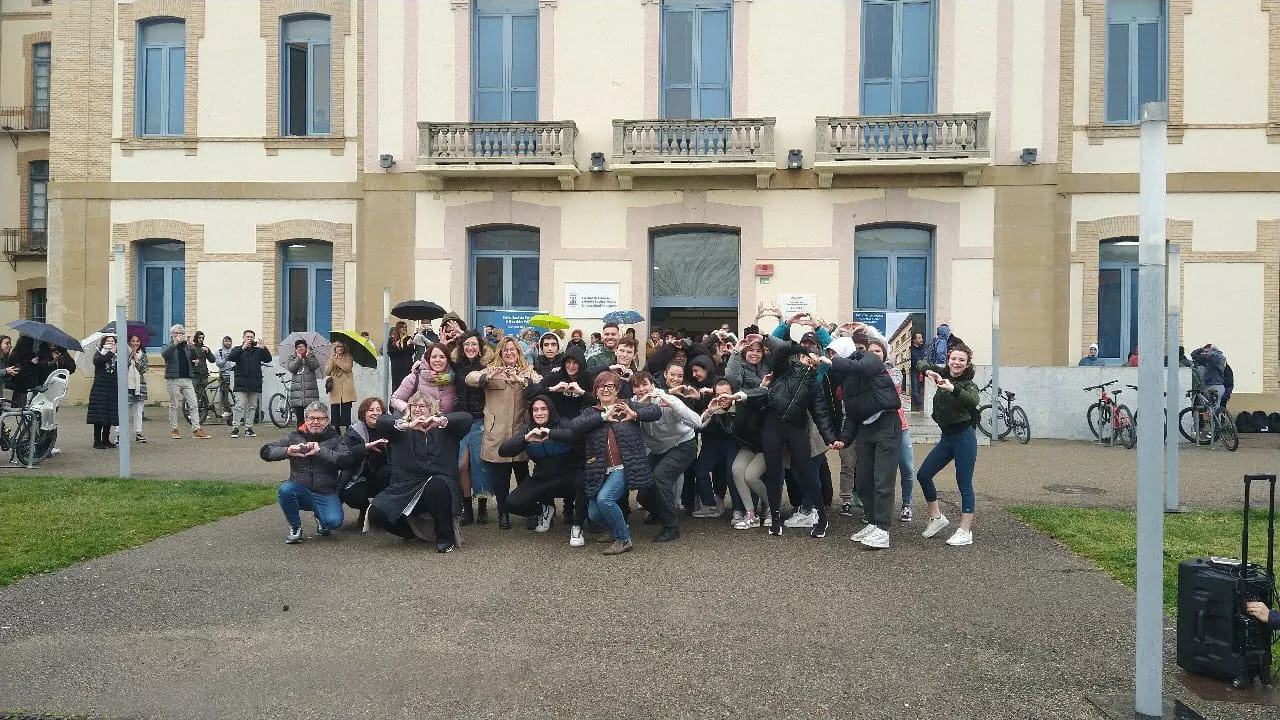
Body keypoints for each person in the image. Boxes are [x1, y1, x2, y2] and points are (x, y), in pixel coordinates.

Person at [565, 371, 662, 555]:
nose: (606, 390)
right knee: (593, 513)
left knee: (605, 499)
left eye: (611, 386)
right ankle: (615, 528)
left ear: (617, 390)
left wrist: (634, 414)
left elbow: (656, 411)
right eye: (601, 386)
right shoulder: (590, 411)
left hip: (624, 467)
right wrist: (602, 417)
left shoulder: (627, 405)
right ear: (595, 391)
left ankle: (624, 539)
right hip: (600, 469)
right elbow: (575, 427)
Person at [822, 331, 902, 549]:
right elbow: (852, 416)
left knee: (882, 481)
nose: (831, 357)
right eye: (829, 353)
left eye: (834, 353)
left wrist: (834, 361)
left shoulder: (869, 359)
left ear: (846, 352)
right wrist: (843, 441)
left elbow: (858, 367)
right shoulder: (846, 382)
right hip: (866, 428)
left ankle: (883, 530)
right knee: (864, 481)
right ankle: (873, 521)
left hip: (887, 424)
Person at [370, 393, 472, 552]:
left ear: (432, 409)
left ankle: (445, 538)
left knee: (436, 484)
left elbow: (466, 418)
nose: (417, 409)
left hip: (440, 485)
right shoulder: (400, 429)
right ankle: (410, 533)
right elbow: (381, 421)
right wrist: (406, 425)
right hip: (407, 486)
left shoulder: (446, 429)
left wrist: (440, 421)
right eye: (413, 406)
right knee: (376, 513)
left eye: (422, 406)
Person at [757, 327, 827, 538]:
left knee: (807, 472)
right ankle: (775, 518)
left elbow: (820, 413)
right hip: (772, 425)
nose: (810, 358)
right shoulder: (784, 370)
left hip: (796, 428)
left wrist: (833, 439)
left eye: (815, 355)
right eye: (807, 355)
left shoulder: (815, 383)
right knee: (774, 471)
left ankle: (822, 517)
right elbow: (780, 352)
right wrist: (801, 348)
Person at [465, 336, 540, 530]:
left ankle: (528, 511)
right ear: (500, 352)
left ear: (518, 353)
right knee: (501, 478)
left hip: (519, 432)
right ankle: (503, 513)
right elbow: (469, 378)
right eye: (505, 350)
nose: (509, 353)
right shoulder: (491, 370)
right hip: (496, 432)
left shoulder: (527, 371)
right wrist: (487, 377)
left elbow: (540, 384)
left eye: (512, 350)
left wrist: (522, 380)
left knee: (523, 475)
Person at [915, 343, 981, 546]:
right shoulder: (942, 372)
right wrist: (929, 372)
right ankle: (937, 518)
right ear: (949, 359)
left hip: (963, 438)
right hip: (946, 438)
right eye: (954, 358)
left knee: (964, 484)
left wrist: (953, 388)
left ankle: (965, 531)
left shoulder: (968, 383)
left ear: (967, 363)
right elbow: (921, 361)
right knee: (923, 475)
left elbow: (973, 400)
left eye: (962, 360)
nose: (957, 363)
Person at [260, 401, 351, 544]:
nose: (315, 422)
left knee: (333, 523)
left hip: (325, 491)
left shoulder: (337, 439)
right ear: (306, 420)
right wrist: (287, 451)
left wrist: (320, 450)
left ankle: (321, 518)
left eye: (320, 419)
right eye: (311, 418)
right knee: (285, 490)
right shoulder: (294, 437)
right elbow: (265, 451)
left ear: (327, 421)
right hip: (300, 487)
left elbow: (346, 461)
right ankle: (295, 528)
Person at [630, 370, 701, 543]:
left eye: (645, 384)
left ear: (652, 385)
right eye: (636, 386)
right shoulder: (633, 404)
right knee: (644, 493)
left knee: (661, 477)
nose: (641, 389)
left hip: (683, 445)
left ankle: (671, 527)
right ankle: (658, 511)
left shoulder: (668, 399)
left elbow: (697, 422)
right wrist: (641, 406)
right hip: (658, 450)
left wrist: (673, 405)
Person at [499, 396, 576, 533]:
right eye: (535, 410)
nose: (539, 413)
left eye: (543, 409)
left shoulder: (562, 422)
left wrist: (552, 434)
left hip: (568, 476)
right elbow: (503, 451)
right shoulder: (528, 429)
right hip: (542, 478)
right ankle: (544, 509)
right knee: (511, 503)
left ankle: (580, 519)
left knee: (584, 487)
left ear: (551, 410)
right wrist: (525, 439)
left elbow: (576, 435)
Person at [451, 330, 493, 525]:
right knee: (461, 465)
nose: (470, 347)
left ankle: (482, 506)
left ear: (480, 347)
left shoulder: (487, 365)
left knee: (479, 465)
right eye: (466, 344)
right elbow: (436, 361)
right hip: (460, 421)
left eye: (474, 344)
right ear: (461, 347)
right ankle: (467, 507)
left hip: (479, 420)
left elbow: (498, 353)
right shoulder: (456, 365)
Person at [339, 397, 393, 530]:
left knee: (389, 473)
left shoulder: (390, 430)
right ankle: (364, 509)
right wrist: (365, 447)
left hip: (382, 476)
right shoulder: (353, 431)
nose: (375, 413)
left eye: (378, 410)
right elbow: (346, 456)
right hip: (360, 476)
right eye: (371, 410)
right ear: (364, 413)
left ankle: (381, 510)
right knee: (352, 495)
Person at [160, 324, 210, 440]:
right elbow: (164, 355)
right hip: (173, 378)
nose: (178, 336)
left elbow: (194, 358)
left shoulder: (186, 347)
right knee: (174, 405)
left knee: (193, 404)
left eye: (180, 333)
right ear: (172, 335)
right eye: (176, 334)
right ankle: (174, 429)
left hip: (187, 378)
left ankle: (196, 429)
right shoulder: (168, 345)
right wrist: (175, 344)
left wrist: (192, 347)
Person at [228, 330, 272, 438]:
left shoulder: (258, 350)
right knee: (239, 406)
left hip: (254, 382)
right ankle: (235, 428)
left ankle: (249, 428)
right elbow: (231, 357)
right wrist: (242, 348)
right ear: (243, 338)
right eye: (247, 337)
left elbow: (268, 359)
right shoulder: (238, 349)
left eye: (251, 337)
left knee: (252, 407)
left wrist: (264, 348)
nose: (249, 339)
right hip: (241, 383)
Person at [393, 343, 457, 415]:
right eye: (434, 357)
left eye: (442, 357)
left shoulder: (454, 379)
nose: (437, 360)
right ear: (428, 359)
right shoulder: (414, 378)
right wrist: (410, 411)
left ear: (447, 360)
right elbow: (395, 399)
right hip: (417, 423)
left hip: (443, 423)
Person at [87, 334, 120, 449]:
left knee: (109, 414)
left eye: (113, 341)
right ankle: (97, 441)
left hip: (112, 388)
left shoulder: (117, 355)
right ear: (104, 343)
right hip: (100, 388)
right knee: (98, 415)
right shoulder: (100, 353)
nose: (111, 343)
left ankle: (106, 439)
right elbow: (99, 361)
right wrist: (110, 352)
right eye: (108, 341)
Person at [283, 339, 321, 428]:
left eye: (302, 346)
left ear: (306, 347)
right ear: (296, 349)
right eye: (298, 347)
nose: (300, 348)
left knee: (311, 416)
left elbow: (314, 366)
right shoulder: (292, 357)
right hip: (297, 392)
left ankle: (311, 434)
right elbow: (292, 368)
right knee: (299, 418)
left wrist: (307, 357)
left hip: (310, 392)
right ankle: (300, 434)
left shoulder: (311, 356)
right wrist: (299, 358)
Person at [326, 340, 357, 432]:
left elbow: (347, 368)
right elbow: (327, 372)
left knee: (346, 407)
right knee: (335, 407)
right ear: (335, 348)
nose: (339, 349)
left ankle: (347, 426)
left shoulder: (348, 356)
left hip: (346, 385)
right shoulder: (331, 358)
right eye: (337, 347)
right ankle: (336, 427)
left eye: (341, 347)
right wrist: (332, 360)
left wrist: (337, 360)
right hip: (335, 386)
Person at [126, 334, 149, 443]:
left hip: (139, 385)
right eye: (133, 341)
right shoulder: (125, 353)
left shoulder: (142, 355)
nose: (135, 343)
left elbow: (143, 369)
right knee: (124, 410)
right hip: (127, 385)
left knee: (138, 411)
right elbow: (121, 368)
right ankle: (120, 434)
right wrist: (130, 357)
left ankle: (138, 432)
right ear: (129, 342)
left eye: (137, 341)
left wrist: (137, 360)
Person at [189, 331, 216, 420]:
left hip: (203, 373)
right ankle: (193, 412)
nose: (201, 339)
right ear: (196, 338)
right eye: (199, 338)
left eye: (202, 338)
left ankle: (203, 412)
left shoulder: (204, 348)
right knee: (194, 393)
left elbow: (212, 360)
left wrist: (208, 352)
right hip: (194, 373)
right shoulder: (192, 348)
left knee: (203, 393)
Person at [1191, 344, 1228, 410]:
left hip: (1216, 386)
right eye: (1204, 352)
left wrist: (1209, 350)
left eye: (1206, 352)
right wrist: (1202, 348)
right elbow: (1194, 354)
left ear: (1214, 351)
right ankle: (1210, 420)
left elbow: (1213, 355)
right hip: (1207, 386)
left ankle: (1216, 420)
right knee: (1207, 409)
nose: (1204, 353)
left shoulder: (1220, 358)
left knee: (1215, 408)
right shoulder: (1208, 359)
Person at [387, 321, 415, 390]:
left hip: (407, 365)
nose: (404, 329)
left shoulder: (408, 338)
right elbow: (391, 353)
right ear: (398, 328)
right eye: (402, 327)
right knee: (397, 386)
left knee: (408, 385)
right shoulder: (392, 339)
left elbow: (411, 352)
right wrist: (399, 346)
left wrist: (406, 345)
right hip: (397, 366)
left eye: (405, 327)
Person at [214, 335, 235, 420]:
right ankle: (227, 410)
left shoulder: (234, 351)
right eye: (226, 341)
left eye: (229, 341)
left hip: (233, 375)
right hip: (224, 375)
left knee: (234, 393)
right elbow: (218, 363)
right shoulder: (219, 352)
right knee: (224, 393)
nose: (227, 343)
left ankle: (235, 410)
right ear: (223, 342)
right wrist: (225, 359)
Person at [908, 331, 928, 409]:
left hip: (924, 370)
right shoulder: (911, 349)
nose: (922, 339)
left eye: (922, 337)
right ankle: (920, 406)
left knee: (925, 387)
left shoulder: (924, 348)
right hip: (915, 371)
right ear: (914, 340)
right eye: (919, 338)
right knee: (915, 388)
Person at [0, 335, 15, 399]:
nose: (10, 346)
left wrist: (9, 373)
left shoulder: (4, 358)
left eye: (10, 344)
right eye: (7, 343)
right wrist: (6, 371)